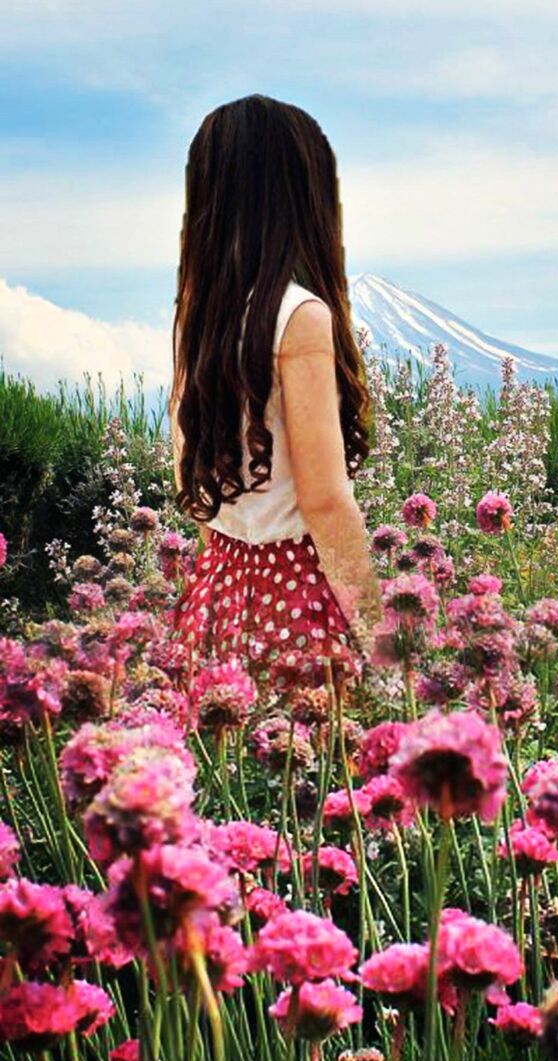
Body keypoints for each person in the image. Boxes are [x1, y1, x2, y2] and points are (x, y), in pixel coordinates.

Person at [169, 94, 383, 698]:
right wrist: (382, 640)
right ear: (300, 195)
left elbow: (192, 479)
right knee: (311, 756)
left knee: (226, 752)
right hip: (297, 602)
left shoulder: (198, 317)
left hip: (215, 594)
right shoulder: (300, 317)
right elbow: (325, 502)